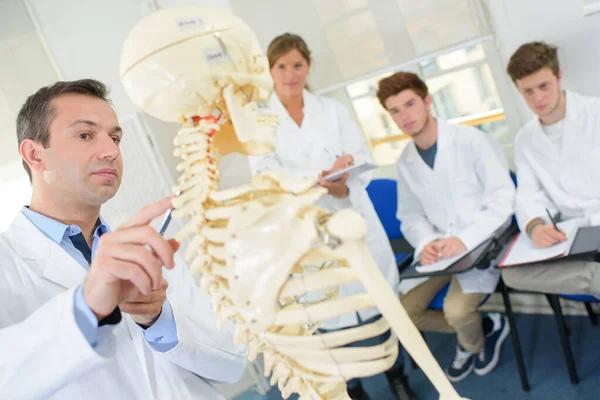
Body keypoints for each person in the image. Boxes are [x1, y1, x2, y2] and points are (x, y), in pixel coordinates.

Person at [0, 80, 247, 400]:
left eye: (115, 137)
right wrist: (86, 308)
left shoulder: (148, 245)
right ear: (35, 154)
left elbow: (232, 363)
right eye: (85, 135)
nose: (111, 150)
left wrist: (159, 319)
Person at [251, 33, 416, 400]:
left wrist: (343, 181)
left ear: (308, 66)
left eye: (297, 65)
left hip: (350, 214)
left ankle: (398, 378)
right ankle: (353, 389)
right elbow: (264, 176)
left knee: (377, 309)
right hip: (304, 231)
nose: (290, 73)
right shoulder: (261, 123)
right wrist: (316, 182)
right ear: (270, 70)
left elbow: (359, 156)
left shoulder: (333, 110)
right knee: (328, 316)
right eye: (282, 66)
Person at [376, 72, 514, 382]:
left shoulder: (472, 141)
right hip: (440, 253)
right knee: (404, 313)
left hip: (481, 244)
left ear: (427, 101)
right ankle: (486, 326)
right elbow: (410, 217)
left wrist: (464, 240)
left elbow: (503, 199)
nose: (404, 116)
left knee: (456, 310)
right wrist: (425, 241)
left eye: (410, 104)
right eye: (394, 110)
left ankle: (472, 342)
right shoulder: (405, 162)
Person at [501, 42, 600, 296]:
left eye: (544, 86)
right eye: (528, 92)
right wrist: (535, 227)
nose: (538, 98)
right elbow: (528, 195)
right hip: (572, 233)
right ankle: (595, 276)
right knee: (512, 274)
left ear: (559, 77)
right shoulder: (525, 139)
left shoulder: (595, 113)